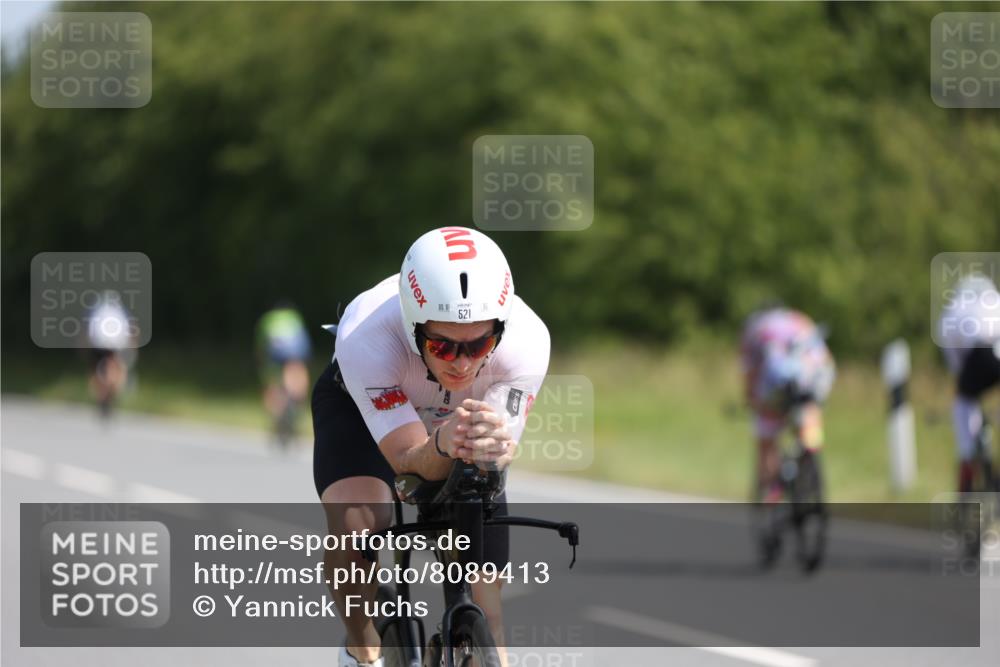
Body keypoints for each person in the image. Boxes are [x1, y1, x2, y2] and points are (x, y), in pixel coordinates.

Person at [312, 227, 549, 667]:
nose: (461, 362)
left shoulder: (528, 342)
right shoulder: (367, 336)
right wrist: (439, 443)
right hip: (361, 411)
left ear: (501, 328)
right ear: (411, 325)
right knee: (359, 521)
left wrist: (491, 450)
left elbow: (492, 455)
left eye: (479, 344)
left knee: (486, 596)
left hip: (457, 420)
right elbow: (407, 463)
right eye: (442, 345)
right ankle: (360, 647)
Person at [740, 306, 836, 501]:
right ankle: (810, 449)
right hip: (818, 372)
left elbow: (750, 373)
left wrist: (753, 401)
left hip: (779, 377)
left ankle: (772, 492)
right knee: (808, 411)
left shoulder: (754, 331)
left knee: (767, 438)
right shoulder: (798, 318)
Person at [938, 273, 1000, 493]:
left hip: (982, 355)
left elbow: (957, 365)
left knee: (964, 399)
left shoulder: (951, 312)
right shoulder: (995, 300)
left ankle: (967, 463)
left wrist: (965, 388)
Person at [255, 302, 312, 445]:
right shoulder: (295, 316)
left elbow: (261, 347)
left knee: (272, 385)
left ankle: (276, 416)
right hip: (296, 350)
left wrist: (263, 365)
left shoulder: (267, 318)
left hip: (274, 350)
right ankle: (297, 401)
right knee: (297, 374)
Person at [85, 290, 137, 419]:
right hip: (115, 344)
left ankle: (101, 396)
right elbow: (132, 328)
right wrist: (133, 346)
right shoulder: (121, 311)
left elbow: (87, 329)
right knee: (116, 369)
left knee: (97, 371)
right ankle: (110, 394)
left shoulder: (95, 310)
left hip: (98, 344)